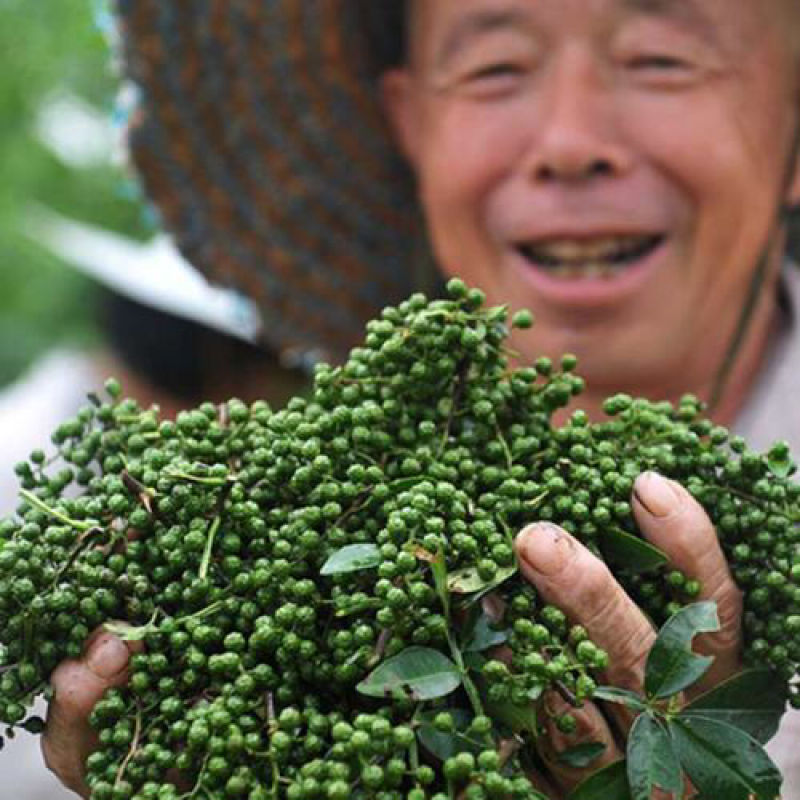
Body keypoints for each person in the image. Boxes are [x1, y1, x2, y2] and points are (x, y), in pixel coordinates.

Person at [36, 0, 800, 796]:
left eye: (661, 60)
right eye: (495, 68)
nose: (570, 144)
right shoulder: (287, 496)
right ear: (410, 122)